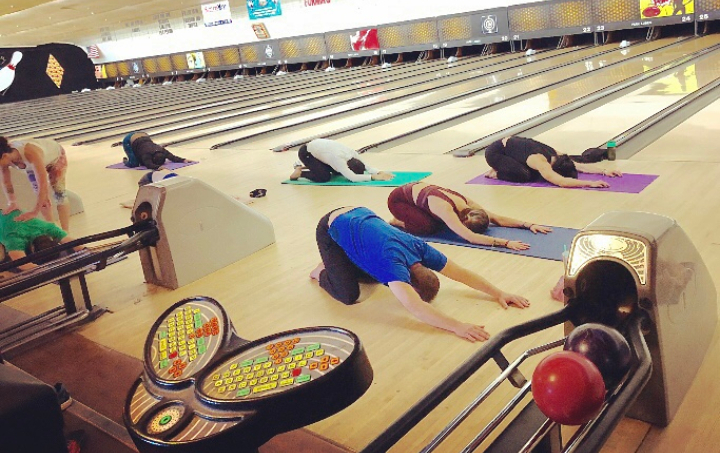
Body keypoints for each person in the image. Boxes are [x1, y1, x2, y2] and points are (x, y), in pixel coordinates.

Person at [311, 206, 530, 342]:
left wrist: (499, 293)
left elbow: (461, 273)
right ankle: (321, 271)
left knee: (374, 274)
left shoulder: (420, 249)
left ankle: (342, 261)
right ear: (409, 282)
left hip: (359, 212)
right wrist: (458, 326)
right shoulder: (392, 265)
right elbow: (416, 307)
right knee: (349, 295)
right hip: (330, 227)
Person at [388, 182, 552, 250]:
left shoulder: (469, 205)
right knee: (428, 228)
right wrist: (507, 243)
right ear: (463, 221)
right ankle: (399, 222)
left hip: (420, 198)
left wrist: (528, 225)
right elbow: (471, 237)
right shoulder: (445, 209)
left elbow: (497, 218)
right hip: (398, 200)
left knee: (442, 222)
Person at [484, 136, 622, 188]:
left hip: (513, 148)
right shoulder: (540, 162)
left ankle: (508, 165)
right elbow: (562, 182)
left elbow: (579, 165)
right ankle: (495, 173)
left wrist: (604, 171)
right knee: (525, 175)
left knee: (533, 172)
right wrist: (590, 183)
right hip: (496, 153)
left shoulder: (557, 154)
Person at [0, 136, 71, 231]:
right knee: (42, 199)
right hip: (33, 166)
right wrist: (12, 202)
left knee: (59, 195)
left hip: (56, 158)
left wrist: (34, 212)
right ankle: (53, 230)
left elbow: (43, 185)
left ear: (4, 156)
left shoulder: (30, 152)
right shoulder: (5, 159)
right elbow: (6, 181)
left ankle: (66, 232)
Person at [0, 208, 76, 271]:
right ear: (32, 248)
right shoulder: (15, 240)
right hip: (8, 222)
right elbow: (23, 265)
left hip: (9, 215)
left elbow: (76, 244)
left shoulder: (48, 228)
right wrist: (50, 270)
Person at [289, 138, 394, 183]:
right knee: (324, 177)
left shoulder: (351, 153)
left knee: (337, 171)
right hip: (307, 153)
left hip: (320, 151)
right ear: (348, 166)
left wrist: (379, 172)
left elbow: (366, 166)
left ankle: (314, 166)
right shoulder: (338, 159)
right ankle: (300, 172)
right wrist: (373, 177)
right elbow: (353, 178)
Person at [122, 132, 194, 171]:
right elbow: (149, 165)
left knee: (140, 161)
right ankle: (125, 161)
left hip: (143, 136)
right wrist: (159, 167)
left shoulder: (162, 150)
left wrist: (184, 160)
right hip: (129, 139)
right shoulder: (147, 154)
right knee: (134, 164)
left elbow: (173, 157)